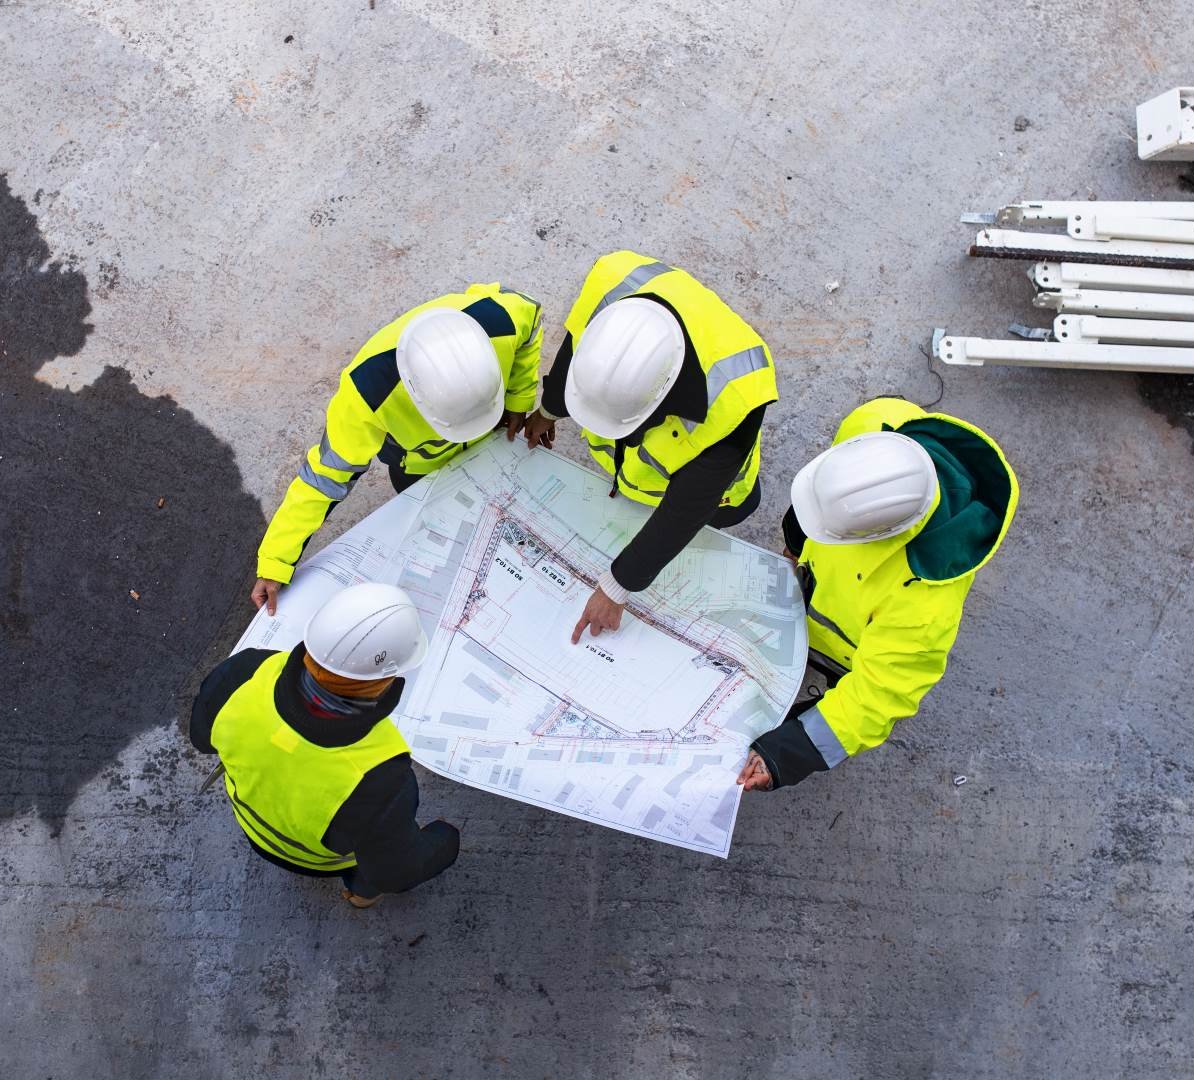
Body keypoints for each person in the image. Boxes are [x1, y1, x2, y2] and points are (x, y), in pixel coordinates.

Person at [737, 397, 1018, 792]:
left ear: (880, 536)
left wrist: (788, 753)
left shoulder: (923, 607)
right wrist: (796, 542)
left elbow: (878, 693)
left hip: (844, 655)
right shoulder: (873, 423)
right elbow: (819, 495)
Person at [517, 251, 778, 644]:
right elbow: (576, 354)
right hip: (639, 460)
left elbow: (687, 507)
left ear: (666, 398)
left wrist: (616, 587)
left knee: (730, 509)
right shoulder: (612, 284)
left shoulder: (737, 392)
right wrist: (549, 410)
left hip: (717, 492)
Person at [251, 285, 544, 614]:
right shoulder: (365, 395)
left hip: (490, 435)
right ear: (415, 396)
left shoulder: (500, 320)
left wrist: (518, 402)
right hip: (417, 468)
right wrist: (275, 561)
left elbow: (531, 324)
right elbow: (323, 480)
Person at [191, 583, 458, 908]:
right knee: (368, 869)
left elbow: (201, 737)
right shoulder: (381, 776)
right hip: (319, 862)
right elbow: (393, 872)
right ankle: (359, 895)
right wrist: (444, 842)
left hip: (250, 825)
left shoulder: (243, 674)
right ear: (387, 679)